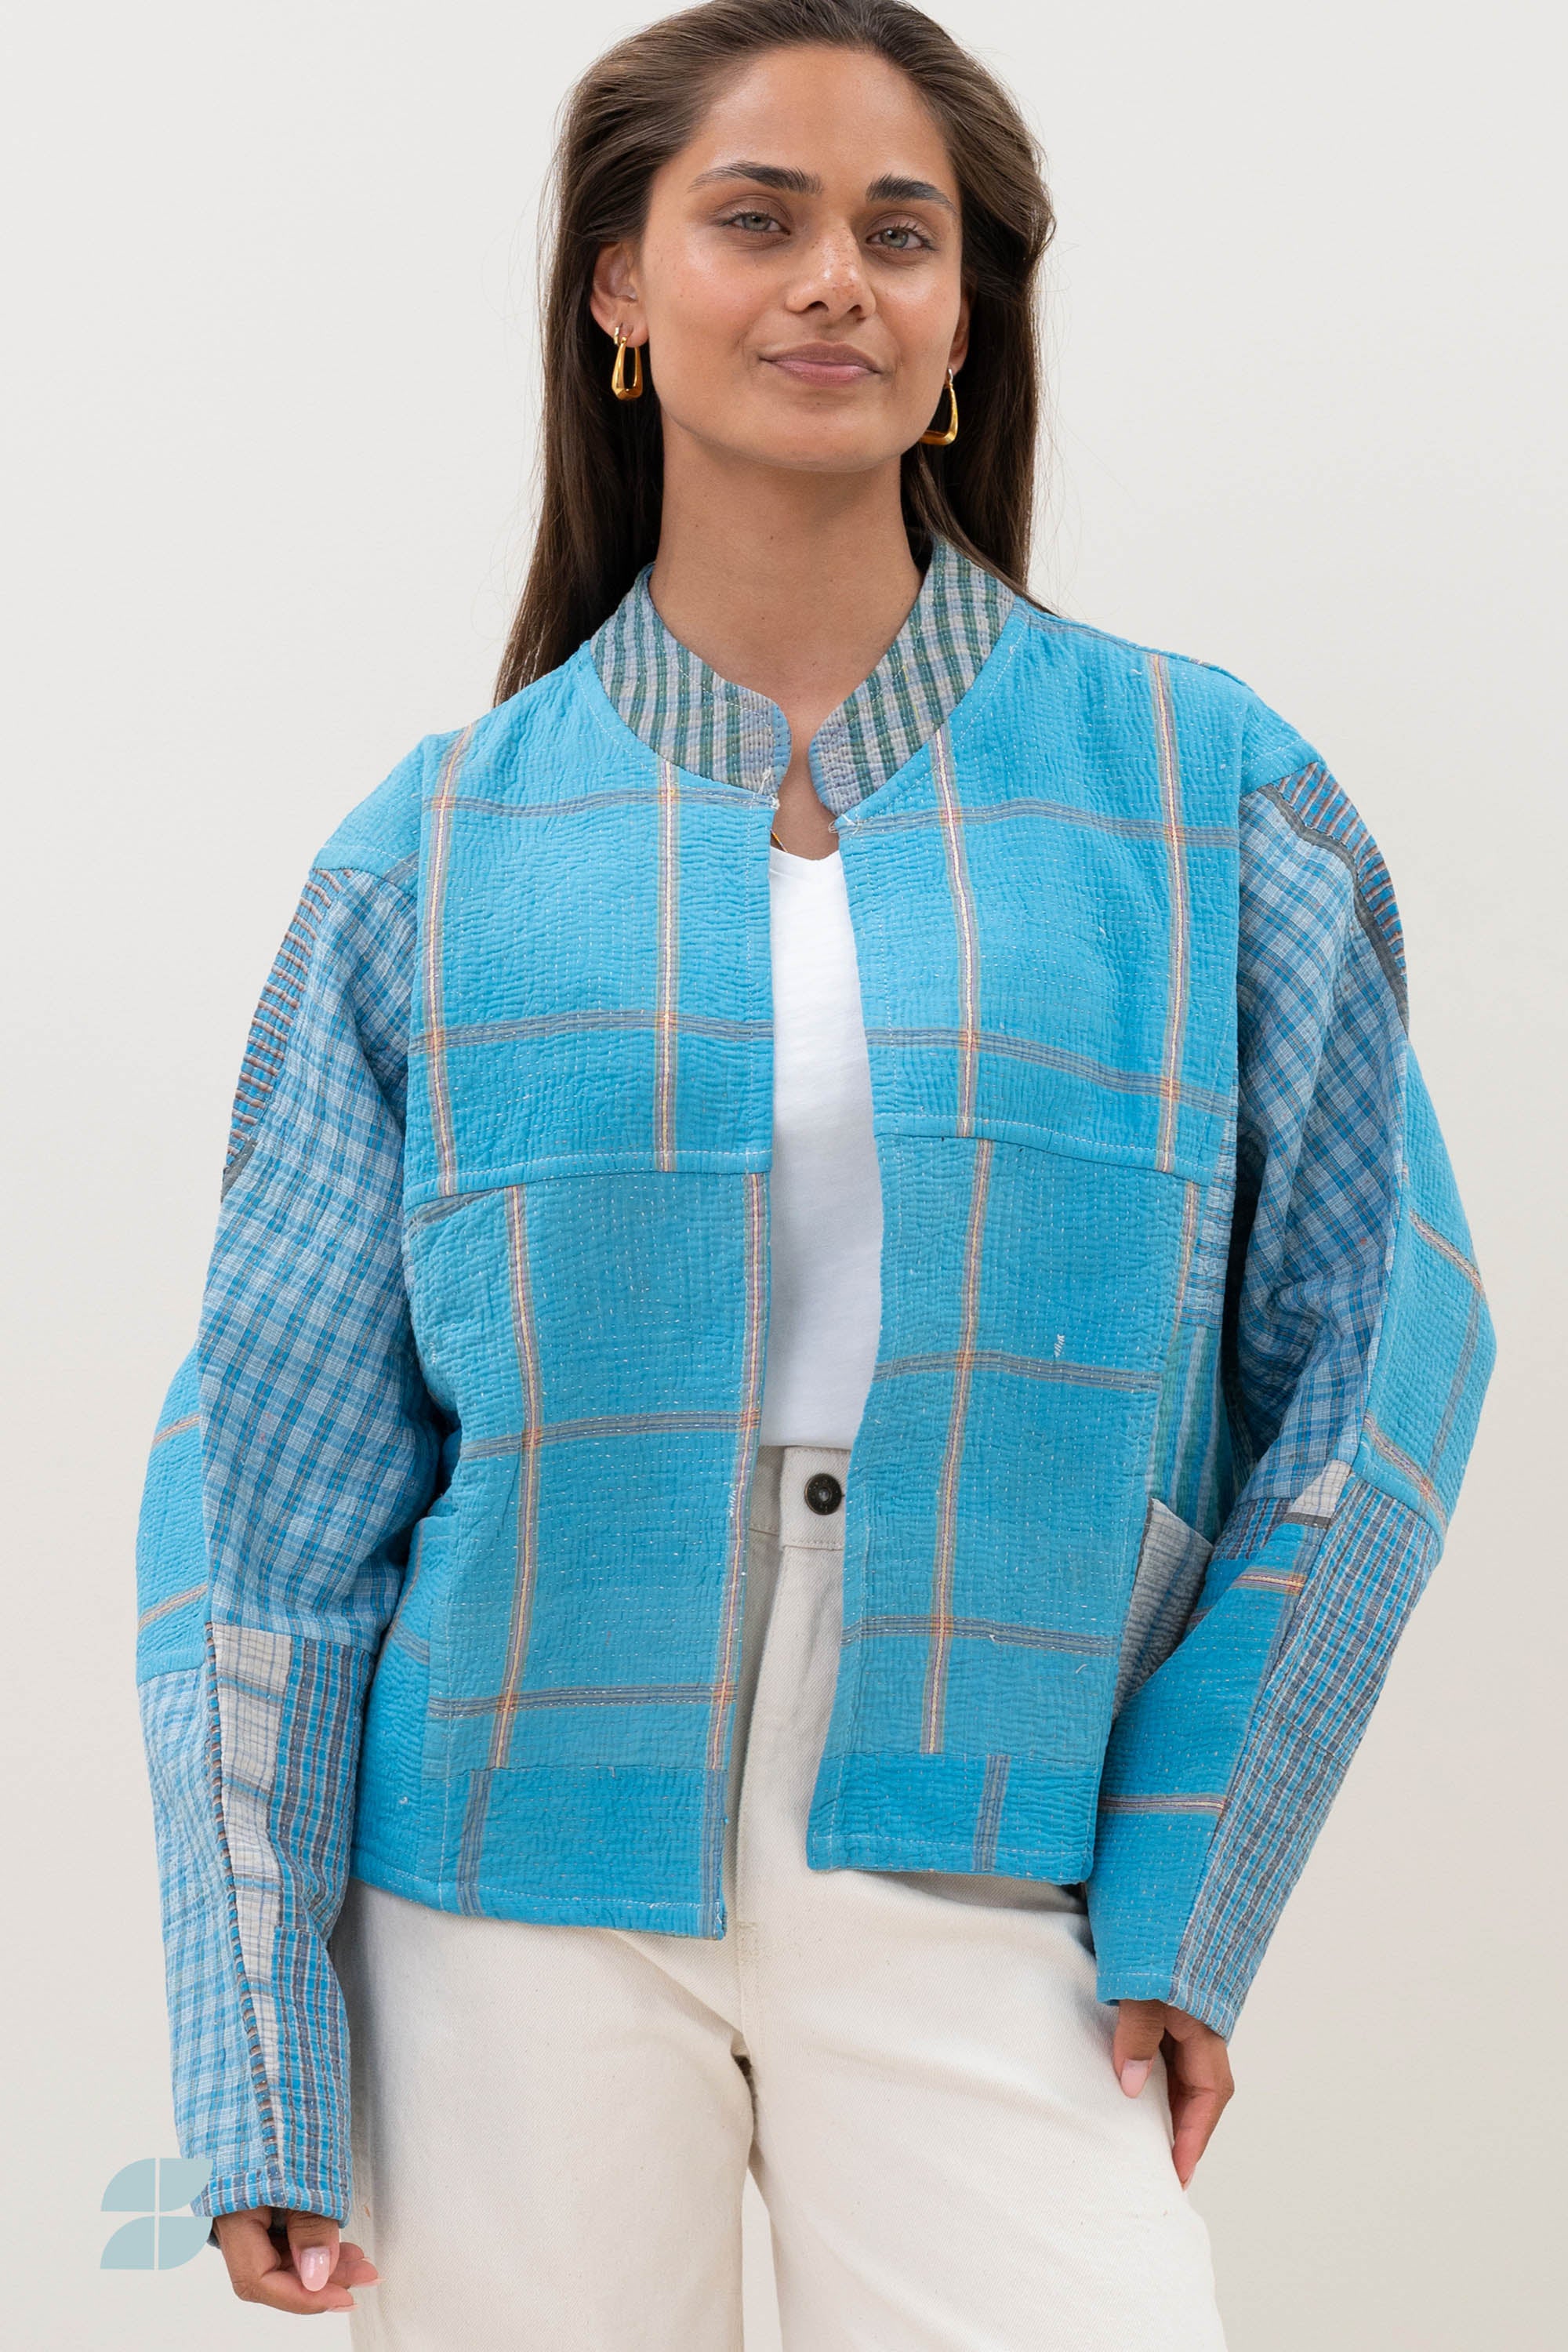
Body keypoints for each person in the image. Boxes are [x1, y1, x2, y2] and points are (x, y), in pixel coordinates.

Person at [131, 2, 1497, 2343]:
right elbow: (270, 1481)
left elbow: (1383, 1360)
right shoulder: (433, 850)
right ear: (622, 287)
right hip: (497, 1879)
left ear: (967, 315)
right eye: (755, 219)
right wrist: (256, 2061)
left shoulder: (1199, 791)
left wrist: (1193, 1871)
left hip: (992, 1845)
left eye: (900, 232)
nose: (834, 279)